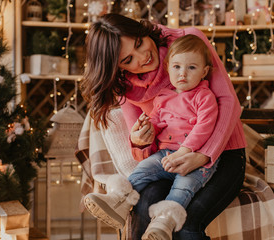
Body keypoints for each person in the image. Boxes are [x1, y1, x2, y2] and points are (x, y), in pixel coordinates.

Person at [81, 13, 246, 240]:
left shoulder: (190, 42)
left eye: (139, 43)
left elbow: (228, 103)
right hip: (168, 158)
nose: (143, 56)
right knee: (142, 210)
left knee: (186, 225)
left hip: (224, 155)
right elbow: (144, 151)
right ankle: (118, 200)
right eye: (128, 60)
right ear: (117, 68)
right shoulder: (125, 89)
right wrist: (140, 141)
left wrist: (203, 155)